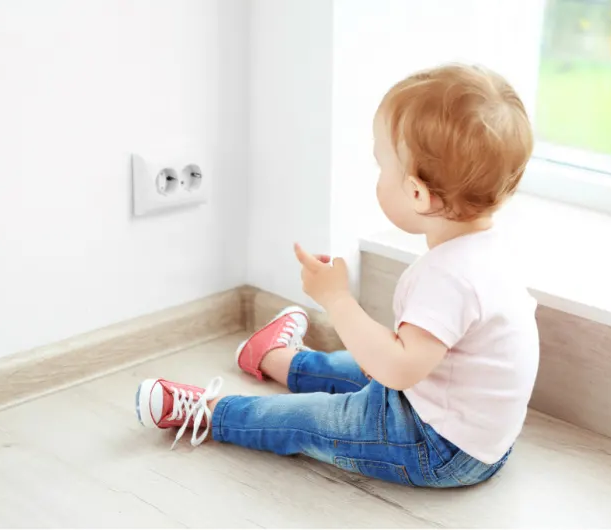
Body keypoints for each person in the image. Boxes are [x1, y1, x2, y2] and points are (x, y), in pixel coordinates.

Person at [135, 64, 539, 488]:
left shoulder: (450, 276)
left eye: (382, 166)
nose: (378, 177)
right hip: (469, 430)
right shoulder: (488, 252)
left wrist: (336, 299)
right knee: (354, 367)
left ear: (417, 194)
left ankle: (211, 413)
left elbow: (398, 369)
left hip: (437, 446)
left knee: (309, 420)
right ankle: (272, 359)